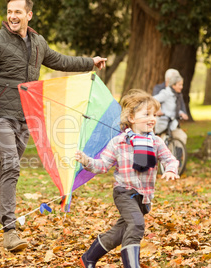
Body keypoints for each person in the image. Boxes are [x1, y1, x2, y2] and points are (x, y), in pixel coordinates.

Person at [0, 0, 107, 252]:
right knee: (11, 165)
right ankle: (10, 231)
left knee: (5, 171)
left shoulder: (39, 43)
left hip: (26, 116)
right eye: (9, 12)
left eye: (18, 12)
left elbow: (60, 61)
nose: (13, 16)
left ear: (29, 15)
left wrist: (90, 62)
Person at [75, 89, 179, 267]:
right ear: (131, 117)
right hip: (124, 192)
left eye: (154, 114)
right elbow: (103, 165)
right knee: (137, 225)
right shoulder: (119, 142)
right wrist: (87, 161)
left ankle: (89, 257)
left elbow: (170, 159)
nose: (152, 118)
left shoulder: (156, 142)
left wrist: (170, 170)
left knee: (121, 231)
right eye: (146, 114)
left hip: (144, 197)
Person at [153, 72, 188, 144]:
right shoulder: (166, 93)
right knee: (163, 143)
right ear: (173, 85)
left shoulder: (177, 95)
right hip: (163, 124)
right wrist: (158, 110)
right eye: (180, 85)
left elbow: (174, 109)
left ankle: (177, 154)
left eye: (182, 85)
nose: (181, 87)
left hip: (172, 124)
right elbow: (152, 100)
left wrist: (181, 113)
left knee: (182, 137)